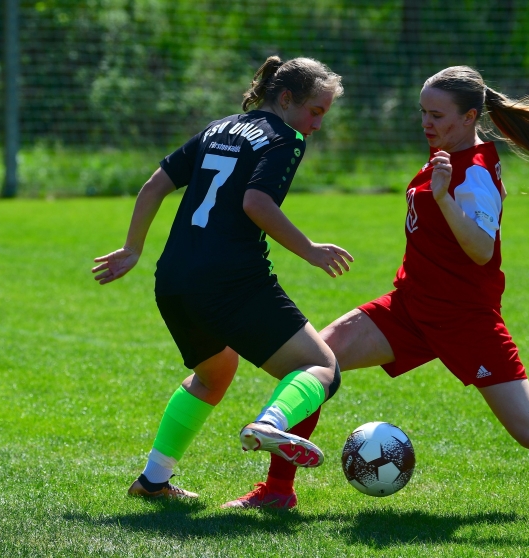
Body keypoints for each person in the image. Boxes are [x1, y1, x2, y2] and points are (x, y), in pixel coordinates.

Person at [236, 66, 529, 518]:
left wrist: (443, 197)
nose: (425, 123)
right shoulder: (449, 150)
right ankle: (278, 491)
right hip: (409, 307)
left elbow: (481, 250)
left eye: (436, 115)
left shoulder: (475, 171)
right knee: (316, 365)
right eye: (422, 112)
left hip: (466, 320)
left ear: (469, 118)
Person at [92, 56, 353, 500]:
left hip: (173, 278)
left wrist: (132, 248)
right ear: (286, 99)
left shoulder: (220, 127)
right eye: (316, 110)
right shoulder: (285, 138)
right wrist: (310, 250)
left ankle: (153, 481)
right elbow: (257, 203)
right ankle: (269, 424)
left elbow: (156, 183)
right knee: (323, 367)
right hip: (231, 279)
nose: (317, 124)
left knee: (214, 375)